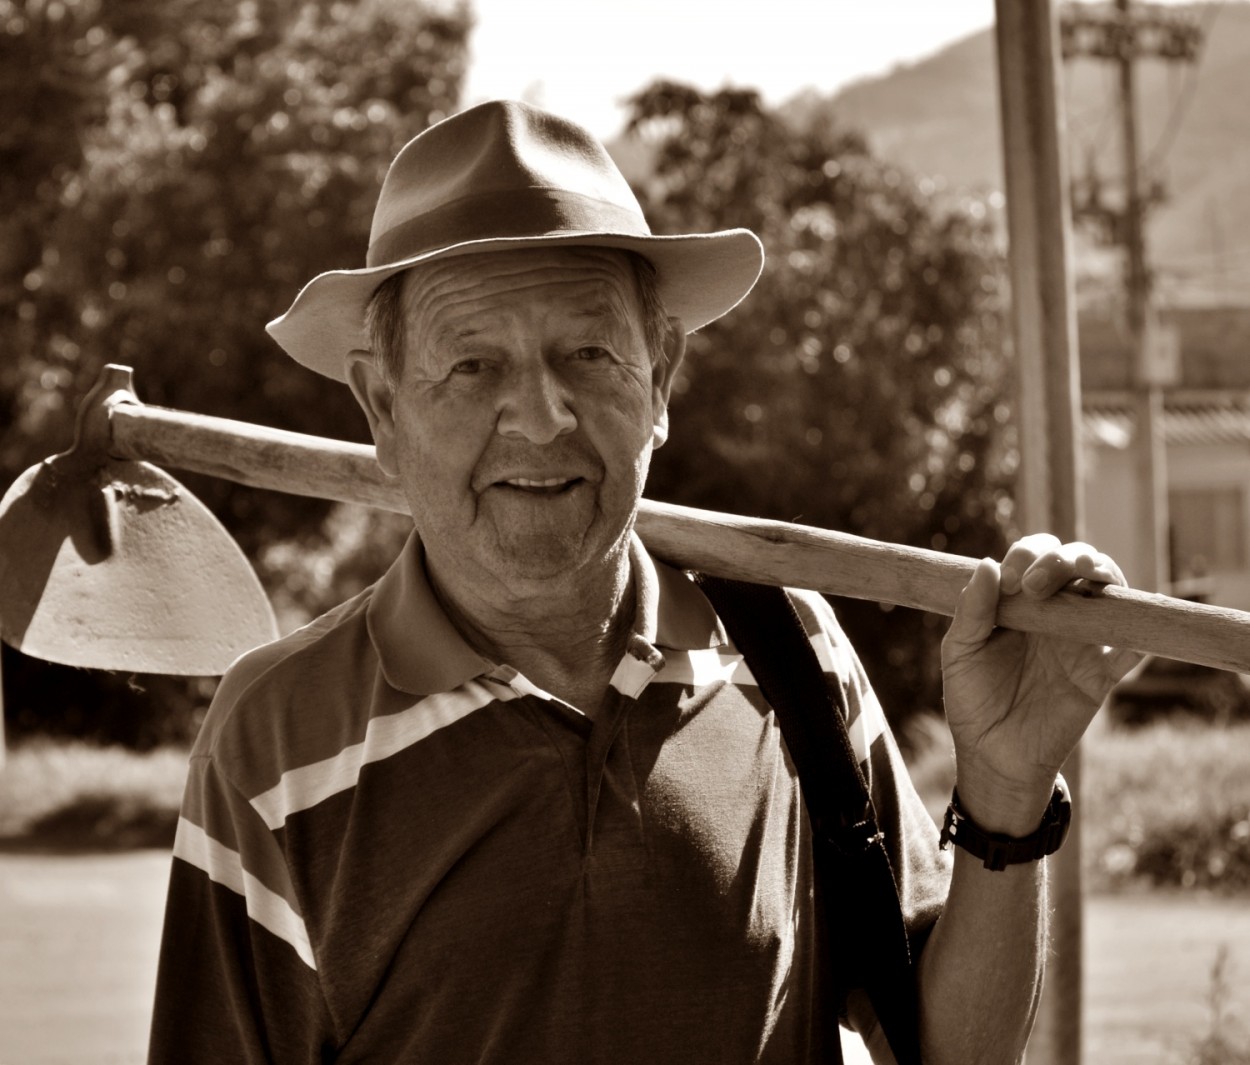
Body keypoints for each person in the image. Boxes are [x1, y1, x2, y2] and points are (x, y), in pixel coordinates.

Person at [148, 100, 1137, 1065]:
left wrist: (1005, 795)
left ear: (658, 376)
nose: (538, 419)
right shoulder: (276, 740)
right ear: (380, 404)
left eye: (587, 353)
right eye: (471, 367)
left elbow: (952, 1051)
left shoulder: (787, 657)